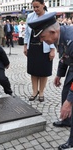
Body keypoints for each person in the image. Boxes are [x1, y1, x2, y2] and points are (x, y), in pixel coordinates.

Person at [27, 11, 73, 150]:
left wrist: (69, 102)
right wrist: (59, 74)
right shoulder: (59, 36)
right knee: (66, 92)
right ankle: (67, 120)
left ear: (52, 32)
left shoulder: (72, 39)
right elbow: (64, 55)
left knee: (70, 101)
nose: (41, 40)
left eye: (42, 37)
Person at [23, 0, 55, 102]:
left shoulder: (49, 17)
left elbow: (53, 34)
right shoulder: (30, 17)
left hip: (45, 48)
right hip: (33, 47)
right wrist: (25, 46)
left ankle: (41, 92)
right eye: (34, 7)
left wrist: (52, 49)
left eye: (37, 7)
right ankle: (34, 91)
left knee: (43, 71)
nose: (35, 9)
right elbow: (27, 33)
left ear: (43, 5)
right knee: (34, 71)